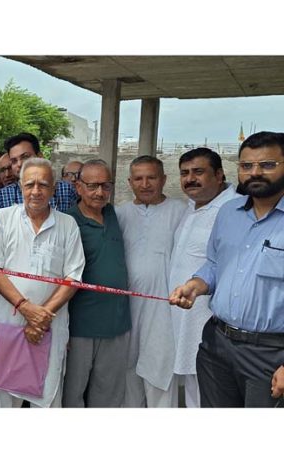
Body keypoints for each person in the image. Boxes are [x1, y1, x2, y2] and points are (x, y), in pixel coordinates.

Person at [170, 131, 284, 407]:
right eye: (246, 166)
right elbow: (215, 263)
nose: (255, 172)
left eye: (267, 165)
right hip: (216, 346)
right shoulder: (229, 213)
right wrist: (195, 285)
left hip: (270, 355)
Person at [0, 158, 85, 407]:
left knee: (47, 398)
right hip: (7, 322)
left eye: (43, 185)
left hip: (49, 327)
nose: (36, 191)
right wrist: (28, 309)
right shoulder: (2, 218)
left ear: (53, 188)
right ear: (20, 186)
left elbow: (73, 276)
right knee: (4, 399)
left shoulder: (67, 224)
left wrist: (42, 316)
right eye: (30, 185)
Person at [167, 148, 240, 407]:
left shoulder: (234, 210)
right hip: (183, 316)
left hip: (210, 322)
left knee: (209, 393)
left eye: (198, 172)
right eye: (185, 173)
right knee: (192, 389)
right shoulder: (190, 207)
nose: (190, 179)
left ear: (219, 175)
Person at [116, 156, 185, 407]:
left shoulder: (181, 212)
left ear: (164, 179)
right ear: (130, 182)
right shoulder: (119, 214)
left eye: (151, 177)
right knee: (127, 375)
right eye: (138, 178)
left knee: (159, 375)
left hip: (163, 312)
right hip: (126, 310)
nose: (145, 184)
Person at [63, 159, 131, 407]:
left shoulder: (113, 215)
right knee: (72, 394)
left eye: (105, 186)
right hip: (79, 327)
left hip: (117, 323)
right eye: (92, 186)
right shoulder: (67, 222)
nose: (100, 192)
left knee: (109, 395)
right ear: (78, 187)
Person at [0, 132, 77, 213]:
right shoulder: (3, 195)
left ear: (40, 156)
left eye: (25, 157)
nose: (19, 164)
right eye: (14, 161)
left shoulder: (66, 190)